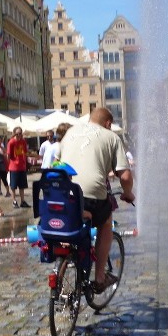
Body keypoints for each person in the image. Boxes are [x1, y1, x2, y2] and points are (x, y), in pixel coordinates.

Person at [57, 107, 135, 293]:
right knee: (105, 221)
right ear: (108, 123)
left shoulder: (70, 132)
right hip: (91, 196)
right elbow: (124, 176)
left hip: (61, 193)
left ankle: (65, 263)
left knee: (74, 218)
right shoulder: (111, 137)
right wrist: (128, 193)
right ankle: (100, 277)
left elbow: (58, 163)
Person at [6, 126, 30, 208]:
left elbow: (25, 153)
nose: (19, 135)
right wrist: (8, 166)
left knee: (22, 185)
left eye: (20, 133)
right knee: (13, 186)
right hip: (14, 167)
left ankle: (22, 201)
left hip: (22, 166)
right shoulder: (11, 142)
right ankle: (14, 201)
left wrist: (26, 163)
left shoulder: (23, 141)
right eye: (17, 134)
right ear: (14, 134)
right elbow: (8, 155)